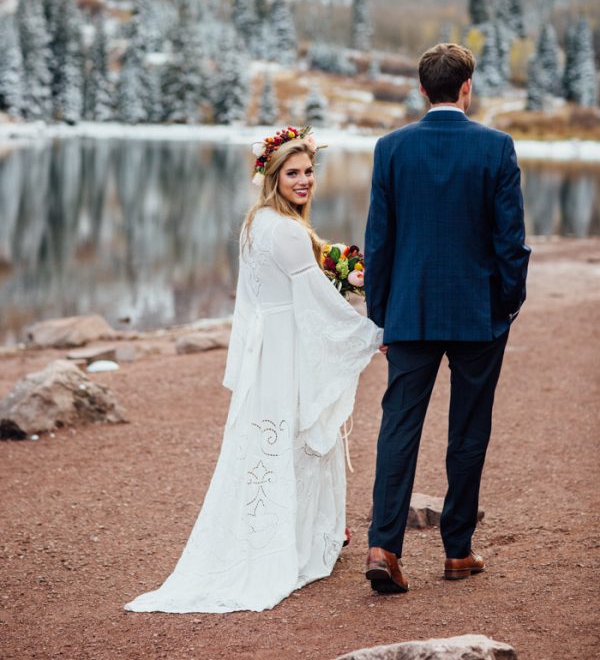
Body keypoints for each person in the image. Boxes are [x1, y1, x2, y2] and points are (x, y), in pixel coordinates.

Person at [125, 126, 382, 613]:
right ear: (272, 176)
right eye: (293, 173)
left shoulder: (256, 223)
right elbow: (314, 303)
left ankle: (282, 531)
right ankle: (291, 544)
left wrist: (336, 276)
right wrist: (370, 335)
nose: (304, 181)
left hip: (268, 353)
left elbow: (268, 299)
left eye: (308, 172)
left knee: (273, 443)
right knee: (296, 437)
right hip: (285, 351)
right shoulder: (285, 230)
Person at [364, 43, 531, 593]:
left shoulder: (391, 149)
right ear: (466, 87)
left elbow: (379, 242)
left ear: (421, 89)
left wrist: (381, 314)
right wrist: (508, 304)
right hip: (477, 313)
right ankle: (457, 553)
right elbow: (510, 242)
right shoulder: (496, 147)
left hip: (409, 310)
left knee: (398, 428)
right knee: (468, 430)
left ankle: (384, 548)